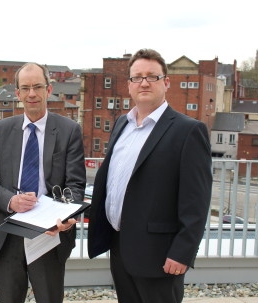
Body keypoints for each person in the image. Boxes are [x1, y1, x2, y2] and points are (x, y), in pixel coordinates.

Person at [87, 49, 212, 303]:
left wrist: (183, 253)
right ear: (129, 85)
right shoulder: (122, 124)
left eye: (152, 76)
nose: (144, 82)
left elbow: (196, 202)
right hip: (120, 246)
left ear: (166, 83)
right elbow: (113, 183)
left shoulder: (188, 131)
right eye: (137, 77)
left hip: (160, 255)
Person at [0, 62, 86, 303]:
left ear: (49, 90)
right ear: (17, 93)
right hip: (9, 234)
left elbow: (76, 184)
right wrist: (11, 201)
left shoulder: (69, 130)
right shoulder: (1, 130)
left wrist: (65, 217)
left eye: (37, 87)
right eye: (25, 88)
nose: (32, 94)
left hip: (50, 234)